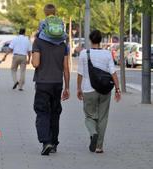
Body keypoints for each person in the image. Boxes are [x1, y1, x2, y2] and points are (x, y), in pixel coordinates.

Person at [77, 30, 121, 153]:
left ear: (90, 40)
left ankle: (93, 132)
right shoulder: (107, 54)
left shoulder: (83, 54)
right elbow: (113, 73)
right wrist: (117, 89)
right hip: (105, 90)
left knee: (89, 116)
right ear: (101, 40)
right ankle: (99, 146)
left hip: (88, 89)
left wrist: (78, 89)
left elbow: (80, 73)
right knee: (103, 117)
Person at [31, 15, 70, 155]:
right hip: (57, 84)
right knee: (55, 113)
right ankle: (53, 142)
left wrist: (33, 56)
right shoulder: (63, 44)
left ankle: (46, 142)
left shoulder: (38, 42)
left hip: (42, 83)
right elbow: (66, 67)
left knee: (42, 112)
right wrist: (67, 87)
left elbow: (35, 63)